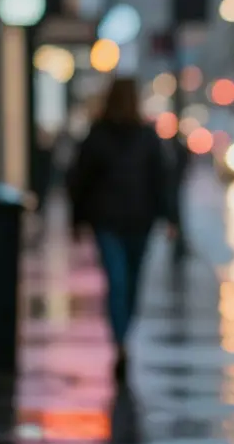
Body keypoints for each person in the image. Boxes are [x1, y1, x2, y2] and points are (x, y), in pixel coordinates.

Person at [67, 78, 179, 378]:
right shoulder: (104, 136)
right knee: (120, 282)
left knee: (128, 283)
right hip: (115, 222)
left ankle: (123, 336)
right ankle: (121, 342)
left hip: (133, 221)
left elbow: (160, 179)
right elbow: (80, 180)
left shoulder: (137, 136)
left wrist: (170, 216)